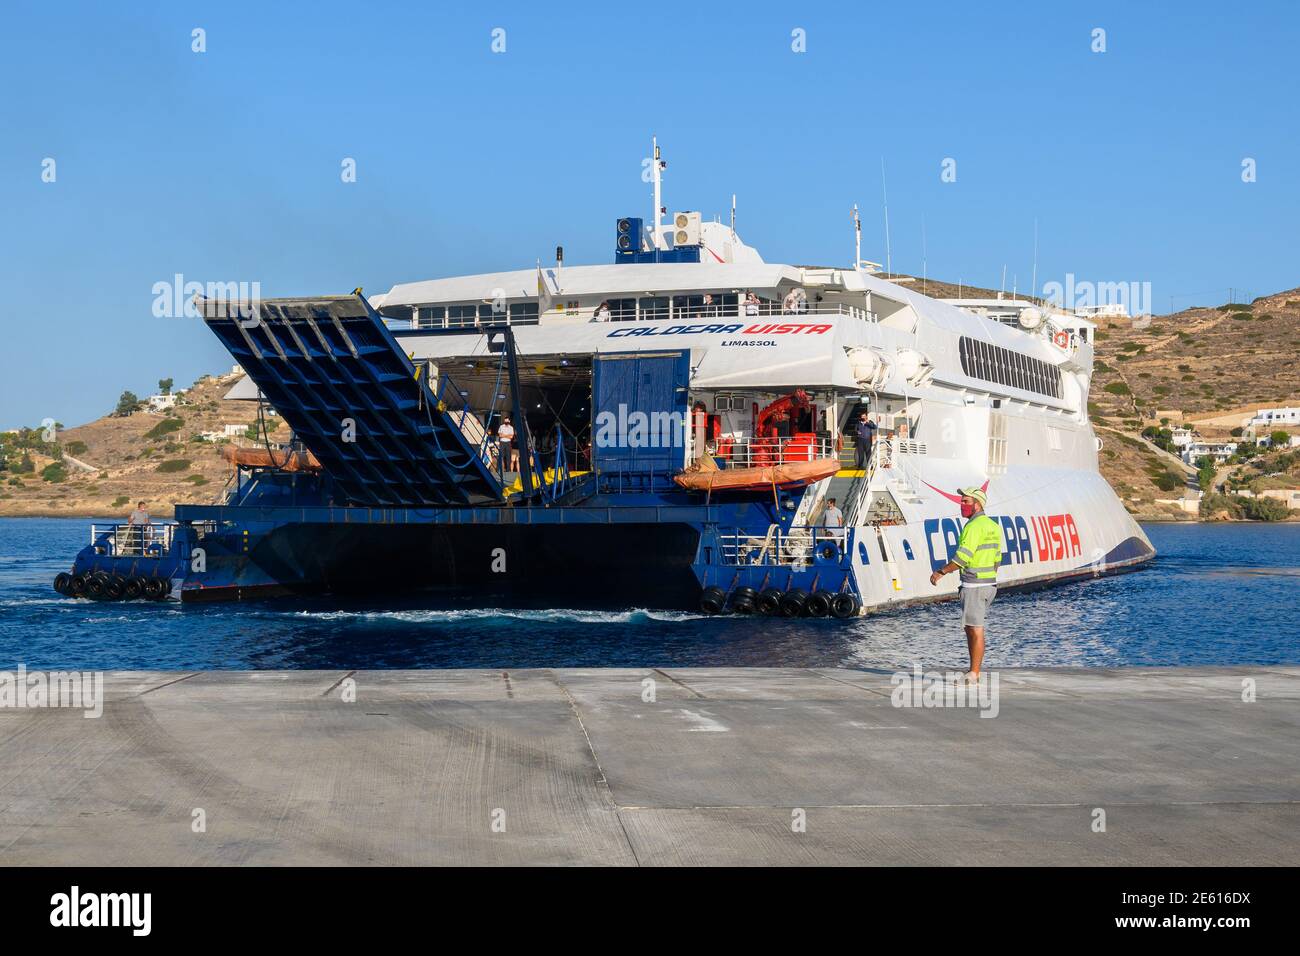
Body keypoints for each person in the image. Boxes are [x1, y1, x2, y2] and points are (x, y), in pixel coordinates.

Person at [929, 487, 1001, 683]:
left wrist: (941, 572)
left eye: (966, 502)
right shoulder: (992, 525)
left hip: (974, 585)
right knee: (972, 627)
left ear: (977, 504)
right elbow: (997, 558)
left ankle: (974, 673)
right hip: (988, 584)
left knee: (975, 628)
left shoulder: (973, 527)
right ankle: (973, 670)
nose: (962, 505)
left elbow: (962, 557)